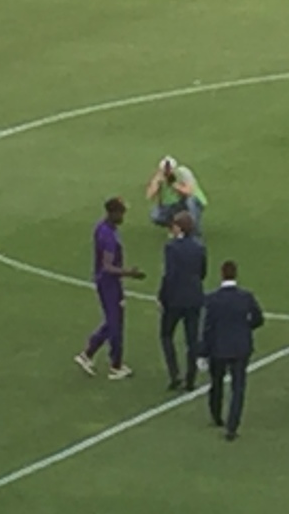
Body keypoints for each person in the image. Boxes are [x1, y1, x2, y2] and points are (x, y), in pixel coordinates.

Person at [74, 197, 144, 381]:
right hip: (109, 284)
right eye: (121, 213)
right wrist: (129, 273)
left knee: (113, 321)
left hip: (107, 282)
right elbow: (108, 266)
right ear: (114, 213)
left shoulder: (103, 227)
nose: (123, 217)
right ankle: (115, 365)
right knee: (115, 323)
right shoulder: (109, 236)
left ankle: (88, 354)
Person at [201, 261, 264, 441]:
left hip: (218, 347)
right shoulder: (246, 297)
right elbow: (258, 319)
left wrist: (202, 352)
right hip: (240, 347)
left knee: (216, 382)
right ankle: (232, 426)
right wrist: (245, 328)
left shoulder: (212, 299)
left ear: (222, 274)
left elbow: (207, 327)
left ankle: (216, 415)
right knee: (238, 388)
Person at [158, 211, 207, 391]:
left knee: (166, 335)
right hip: (194, 297)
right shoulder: (199, 247)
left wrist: (162, 296)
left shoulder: (171, 248)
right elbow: (202, 272)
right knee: (192, 339)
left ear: (178, 228)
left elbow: (169, 275)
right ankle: (191, 379)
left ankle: (175, 374)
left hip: (175, 299)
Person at [146, 156, 208, 235]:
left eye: (170, 169)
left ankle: (193, 232)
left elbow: (189, 192)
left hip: (192, 201)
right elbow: (149, 195)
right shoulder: (160, 177)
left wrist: (174, 185)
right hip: (173, 204)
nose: (168, 172)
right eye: (166, 170)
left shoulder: (183, 173)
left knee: (191, 202)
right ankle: (175, 228)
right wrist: (156, 182)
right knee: (156, 215)